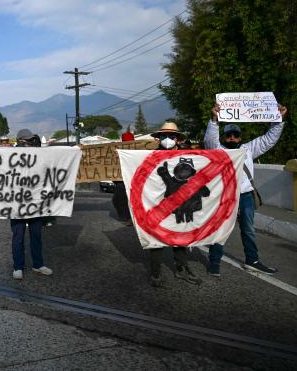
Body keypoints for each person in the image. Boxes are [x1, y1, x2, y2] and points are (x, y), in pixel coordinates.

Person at [204, 103, 287, 276]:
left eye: (236, 135)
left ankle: (252, 261)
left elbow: (268, 139)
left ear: (240, 137)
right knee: (220, 230)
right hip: (225, 197)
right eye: (229, 135)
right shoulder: (217, 151)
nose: (232, 138)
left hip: (246, 197)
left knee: (248, 230)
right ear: (223, 136)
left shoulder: (248, 149)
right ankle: (214, 263)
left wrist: (278, 119)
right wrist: (214, 119)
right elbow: (210, 141)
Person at [148, 122, 201, 287]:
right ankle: (155, 275)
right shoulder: (149, 157)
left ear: (177, 139)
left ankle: (181, 269)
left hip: (180, 206)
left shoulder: (187, 157)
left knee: (179, 237)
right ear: (158, 139)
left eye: (171, 136)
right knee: (156, 239)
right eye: (163, 136)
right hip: (157, 205)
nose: (167, 139)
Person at [10, 128, 52, 280]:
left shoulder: (38, 153)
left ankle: (38, 264)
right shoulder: (10, 155)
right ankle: (18, 267)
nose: (30, 142)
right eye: (27, 140)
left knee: (36, 235)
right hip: (17, 204)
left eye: (31, 140)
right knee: (18, 236)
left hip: (35, 203)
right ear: (20, 141)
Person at [112, 130, 135, 225]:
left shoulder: (138, 151)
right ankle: (128, 217)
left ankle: (130, 218)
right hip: (122, 180)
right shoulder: (118, 151)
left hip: (133, 180)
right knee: (118, 199)